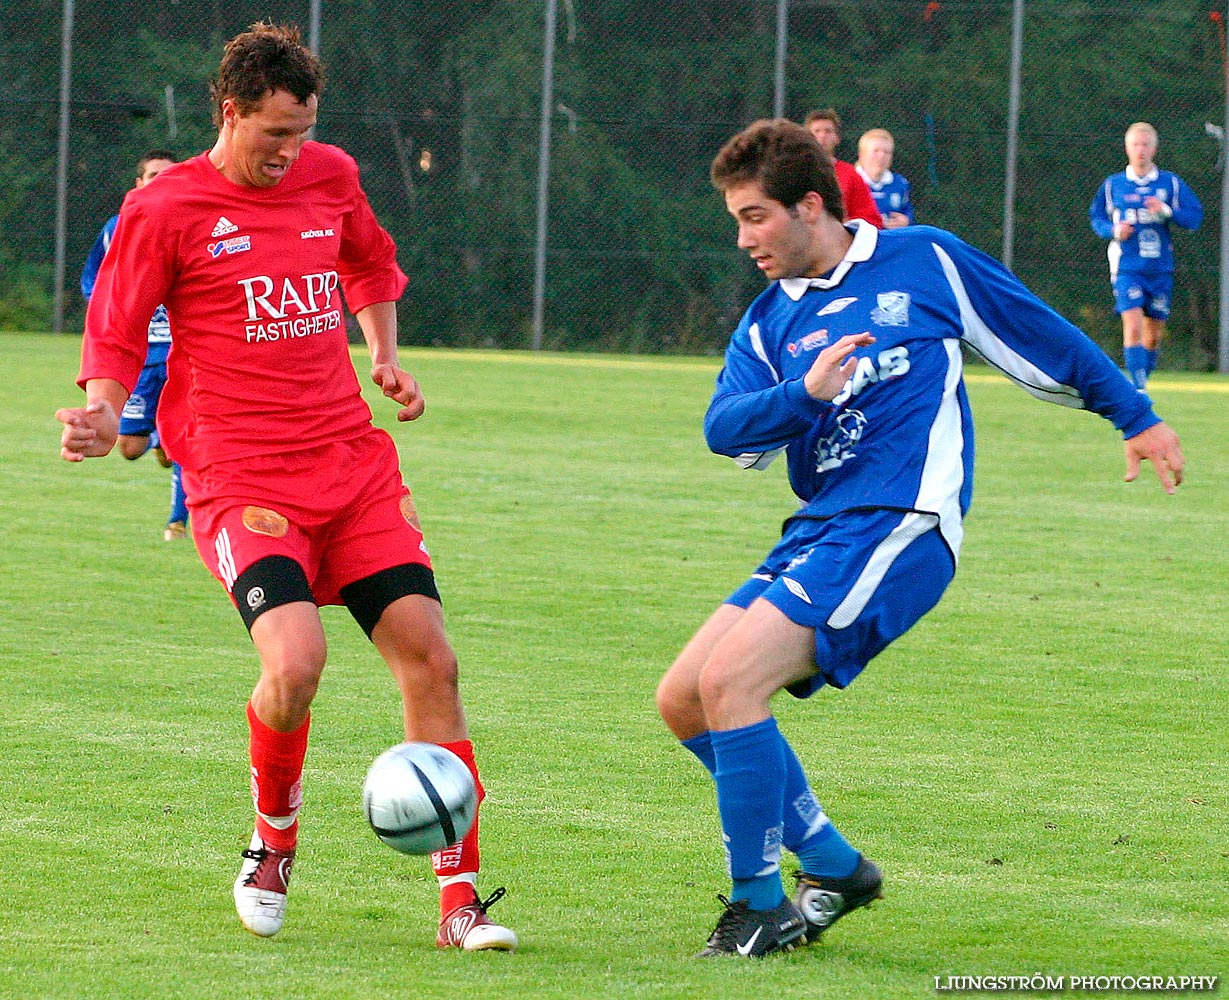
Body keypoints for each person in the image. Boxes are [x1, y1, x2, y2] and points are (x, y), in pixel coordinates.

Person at [655, 118, 1184, 958]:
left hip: (903, 522)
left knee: (729, 684)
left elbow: (1039, 332)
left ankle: (756, 904)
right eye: (736, 219)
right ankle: (833, 865)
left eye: (754, 216)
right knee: (682, 697)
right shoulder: (766, 321)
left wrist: (1135, 415)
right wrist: (805, 392)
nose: (742, 237)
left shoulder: (921, 258)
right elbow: (724, 427)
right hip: (820, 528)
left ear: (808, 205)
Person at [56, 22, 517, 952]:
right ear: (230, 113)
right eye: (273, 135)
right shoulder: (165, 208)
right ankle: (272, 840)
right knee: (295, 664)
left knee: (432, 659)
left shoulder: (330, 175)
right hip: (236, 475)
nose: (290, 153)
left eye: (301, 133)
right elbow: (116, 321)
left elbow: (370, 262)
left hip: (349, 464)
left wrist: (383, 355)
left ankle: (459, 904)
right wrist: (104, 412)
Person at [81, 149, 191, 541]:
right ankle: (159, 438)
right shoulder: (117, 229)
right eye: (154, 176)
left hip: (185, 353)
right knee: (130, 447)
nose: (163, 182)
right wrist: (121, 308)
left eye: (170, 175)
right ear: (139, 184)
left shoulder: (198, 223)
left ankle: (177, 521)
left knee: (186, 438)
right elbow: (94, 283)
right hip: (141, 356)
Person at [1089, 122, 1202, 390]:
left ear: (1154, 148)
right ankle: (1137, 390)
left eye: (1145, 144)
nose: (1140, 150)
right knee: (1134, 325)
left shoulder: (1169, 183)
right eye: (1135, 144)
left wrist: (1166, 211)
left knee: (1154, 334)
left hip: (1160, 267)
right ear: (1127, 148)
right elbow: (1097, 218)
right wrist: (1114, 230)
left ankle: (1143, 380)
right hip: (1127, 266)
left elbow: (1194, 217)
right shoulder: (1113, 185)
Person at [803, 109, 883, 228]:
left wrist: (846, 225)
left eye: (828, 131)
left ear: (837, 138)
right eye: (816, 131)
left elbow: (871, 219)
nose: (822, 136)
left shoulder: (850, 174)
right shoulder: (796, 172)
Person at [855, 128, 913, 228]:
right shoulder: (850, 180)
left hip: (891, 239)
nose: (881, 156)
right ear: (862, 154)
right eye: (876, 151)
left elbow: (906, 210)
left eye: (886, 152)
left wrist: (906, 220)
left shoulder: (900, 183)